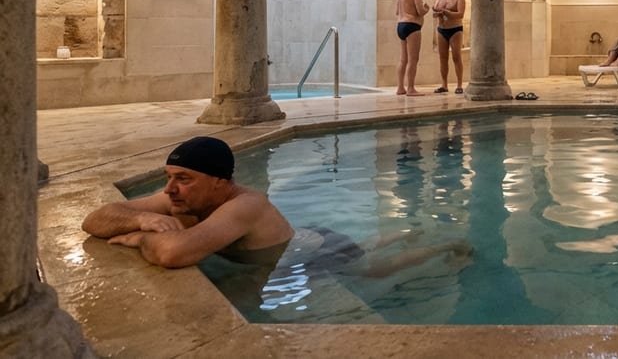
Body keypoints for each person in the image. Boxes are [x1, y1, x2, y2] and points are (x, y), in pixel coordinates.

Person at [82, 136, 472, 276]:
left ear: (219, 182)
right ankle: (397, 234)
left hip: (313, 254)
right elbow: (95, 219)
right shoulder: (178, 197)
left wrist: (137, 237)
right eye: (170, 177)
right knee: (364, 249)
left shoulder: (245, 205)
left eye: (183, 178)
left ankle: (441, 246)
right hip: (306, 240)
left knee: (371, 270)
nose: (170, 188)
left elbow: (171, 253)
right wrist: (147, 216)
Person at [395, 0, 430, 96]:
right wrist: (426, 9)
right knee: (413, 59)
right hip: (412, 26)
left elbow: (397, 11)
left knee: (403, 59)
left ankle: (400, 88)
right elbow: (420, 11)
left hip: (400, 25)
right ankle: (410, 88)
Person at [430, 0, 467, 94]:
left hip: (455, 29)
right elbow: (436, 7)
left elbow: (460, 14)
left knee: (456, 56)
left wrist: (448, 12)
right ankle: (444, 85)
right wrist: (436, 11)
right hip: (442, 29)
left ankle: (459, 84)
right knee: (443, 57)